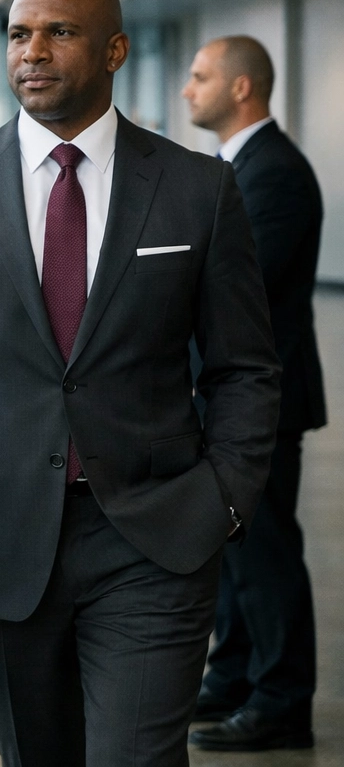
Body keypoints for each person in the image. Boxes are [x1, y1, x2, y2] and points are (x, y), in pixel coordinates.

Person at [0, 0, 281, 767]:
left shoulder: (198, 189)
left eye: (61, 32)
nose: (34, 52)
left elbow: (246, 367)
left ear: (115, 49)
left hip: (157, 535)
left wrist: (225, 500)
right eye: (20, 34)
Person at [181, 36, 325, 752]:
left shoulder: (275, 175)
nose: (188, 90)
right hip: (227, 396)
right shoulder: (234, 168)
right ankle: (235, 676)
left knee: (265, 552)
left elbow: (240, 293)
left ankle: (281, 699)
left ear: (242, 89)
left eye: (201, 77)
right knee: (233, 546)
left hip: (262, 400)